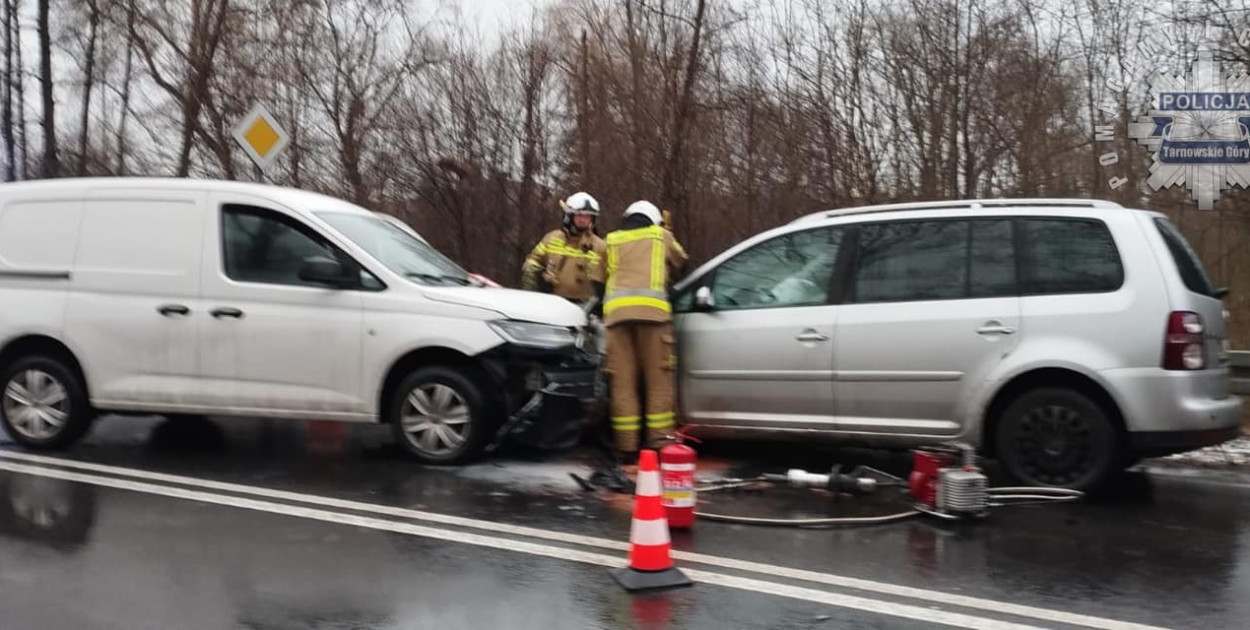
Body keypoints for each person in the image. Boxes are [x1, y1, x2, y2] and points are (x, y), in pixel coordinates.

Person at [596, 200, 688, 456]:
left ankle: (626, 447)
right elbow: (682, 262)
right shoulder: (662, 236)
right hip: (654, 319)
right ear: (654, 219)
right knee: (658, 382)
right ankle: (659, 443)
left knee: (622, 385)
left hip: (616, 321)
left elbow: (596, 282)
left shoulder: (609, 241)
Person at [521, 192, 607, 305]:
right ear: (569, 216)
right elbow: (532, 263)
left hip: (584, 306)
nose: (583, 220)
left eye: (587, 216)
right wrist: (538, 282)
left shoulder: (600, 246)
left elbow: (608, 277)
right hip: (551, 302)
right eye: (580, 215)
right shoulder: (551, 238)